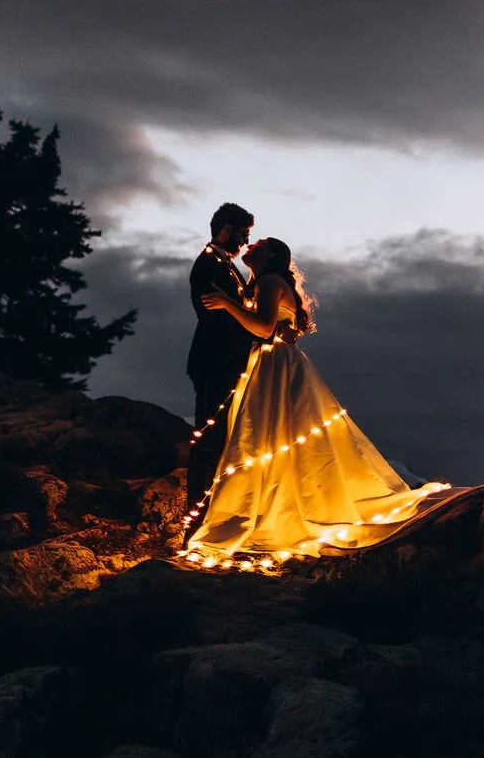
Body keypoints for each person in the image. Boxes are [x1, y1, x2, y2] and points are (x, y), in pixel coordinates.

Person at [184, 237, 456, 567]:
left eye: (260, 244)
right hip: (276, 363)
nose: (251, 246)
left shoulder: (270, 281)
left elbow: (264, 327)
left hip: (274, 365)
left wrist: (228, 303)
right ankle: (282, 507)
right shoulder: (264, 282)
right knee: (281, 439)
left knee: (268, 436)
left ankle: (270, 512)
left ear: (273, 256)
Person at [185, 203, 256, 502]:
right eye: (242, 234)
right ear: (224, 230)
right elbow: (216, 317)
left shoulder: (224, 265)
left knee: (221, 437)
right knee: (209, 439)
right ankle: (197, 513)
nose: (246, 242)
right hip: (215, 361)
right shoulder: (209, 265)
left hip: (223, 361)